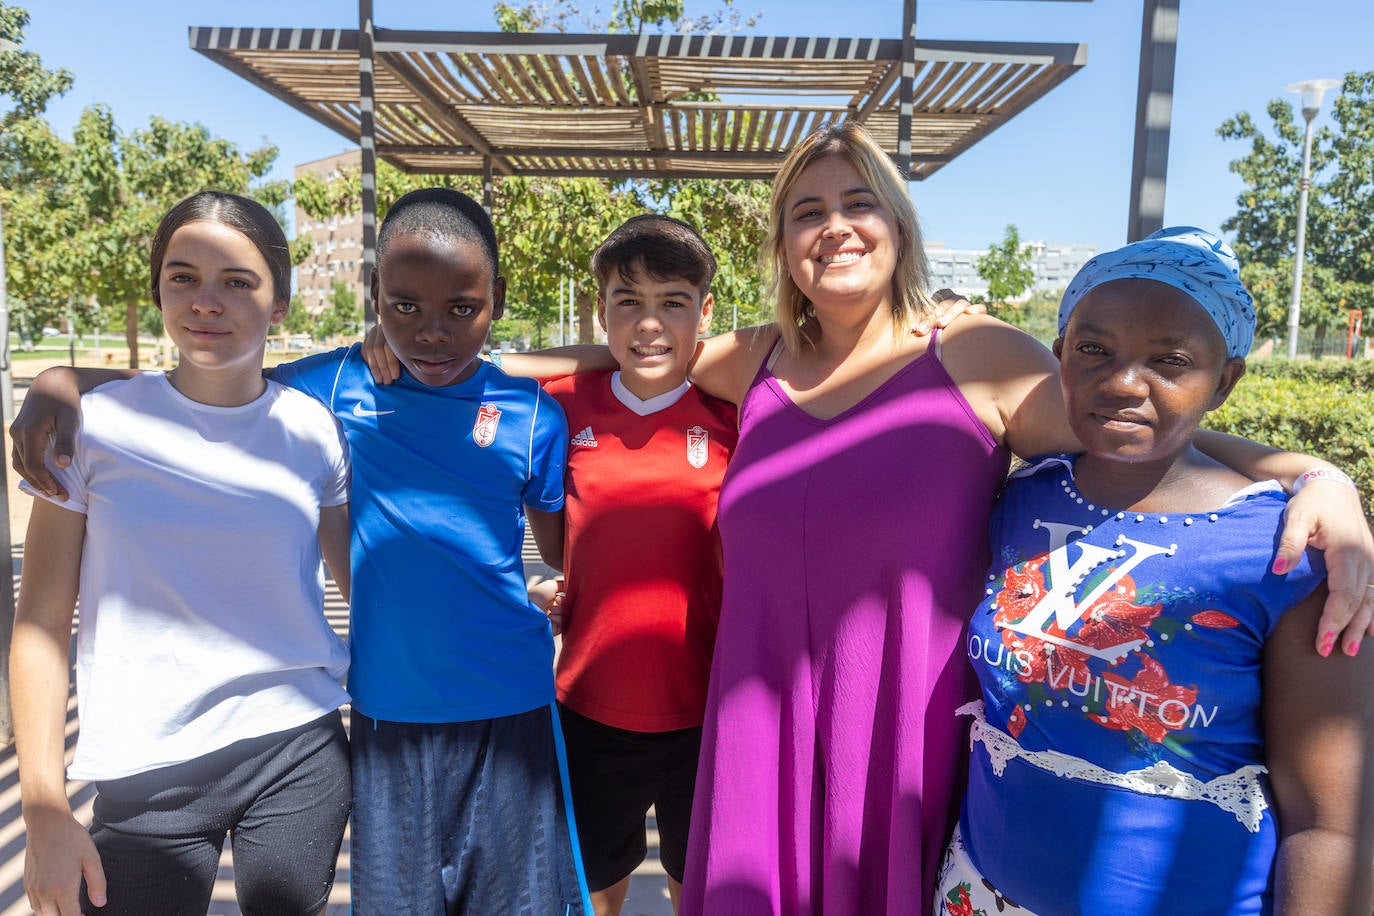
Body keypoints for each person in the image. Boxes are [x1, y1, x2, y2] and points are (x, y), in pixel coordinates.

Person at [350, 123, 1372, 914]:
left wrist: (1309, 472)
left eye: (857, 203)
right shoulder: (753, 361)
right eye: (807, 210)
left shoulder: (975, 353)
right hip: (753, 724)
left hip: (899, 732)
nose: (833, 225)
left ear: (897, 225)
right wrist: (415, 356)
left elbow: (1137, 418)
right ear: (785, 245)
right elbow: (610, 361)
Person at [11, 188, 590, 915]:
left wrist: (534, 592)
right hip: (346, 725)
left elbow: (536, 541)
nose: (432, 331)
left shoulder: (508, 414)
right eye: (404, 306)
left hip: (443, 721)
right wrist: (62, 379)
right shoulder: (332, 387)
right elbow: (204, 382)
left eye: (461, 309)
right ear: (375, 297)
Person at [936, 228, 1374, 915]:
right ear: (1059, 359)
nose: (1122, 382)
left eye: (1170, 360)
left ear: (1224, 380)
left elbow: (1331, 824)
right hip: (977, 890)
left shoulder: (1291, 553)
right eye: (1093, 350)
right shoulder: (1014, 500)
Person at [11, 191, 353, 915]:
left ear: (281, 303)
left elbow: (366, 590)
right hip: (145, 771)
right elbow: (39, 625)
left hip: (298, 752)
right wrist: (43, 803)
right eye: (182, 276)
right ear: (158, 288)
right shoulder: (89, 429)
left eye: (237, 281)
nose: (206, 301)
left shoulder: (315, 428)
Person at [534, 214, 737, 916]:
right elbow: (490, 371)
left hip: (708, 707)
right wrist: (546, 580)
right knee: (592, 896)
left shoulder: (737, 412)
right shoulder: (562, 405)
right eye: (628, 303)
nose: (650, 324)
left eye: (672, 303)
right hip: (590, 705)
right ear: (600, 313)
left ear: (705, 312)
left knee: (701, 892)